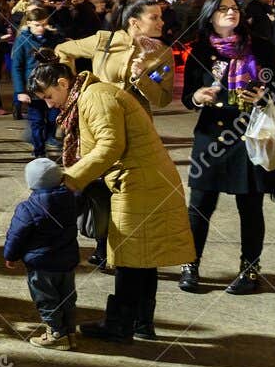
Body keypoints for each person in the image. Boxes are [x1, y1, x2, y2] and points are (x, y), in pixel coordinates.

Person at [30, 50, 194, 343]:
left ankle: (120, 325)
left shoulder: (95, 97)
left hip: (138, 182)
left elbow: (110, 146)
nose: (49, 103)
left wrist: (70, 180)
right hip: (141, 180)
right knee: (144, 258)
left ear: (63, 83)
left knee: (130, 257)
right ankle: (141, 323)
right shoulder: (90, 96)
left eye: (47, 95)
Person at [56, 0, 175, 268]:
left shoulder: (160, 53)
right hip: (98, 124)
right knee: (99, 187)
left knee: (127, 189)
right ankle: (102, 244)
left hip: (136, 128)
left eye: (160, 17)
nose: (161, 22)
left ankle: (124, 248)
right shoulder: (106, 40)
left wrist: (141, 78)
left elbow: (163, 99)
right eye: (154, 17)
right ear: (135, 22)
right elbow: (64, 49)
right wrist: (74, 90)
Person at [179, 0, 275, 296]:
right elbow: (188, 97)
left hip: (248, 135)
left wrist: (265, 96)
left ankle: (250, 270)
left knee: (250, 207)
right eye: (222, 9)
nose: (230, 12)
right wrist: (197, 96)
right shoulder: (198, 49)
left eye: (233, 8)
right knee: (199, 206)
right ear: (210, 16)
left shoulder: (260, 47)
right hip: (211, 135)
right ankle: (190, 265)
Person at [2, 158, 81, 350]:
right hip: (67, 261)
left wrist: (10, 255)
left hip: (41, 265)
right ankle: (70, 331)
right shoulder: (71, 200)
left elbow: (16, 235)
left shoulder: (28, 208)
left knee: (47, 299)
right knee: (67, 297)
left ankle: (56, 334)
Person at [10, 6, 63, 158]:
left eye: (43, 24)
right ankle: (39, 152)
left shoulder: (53, 37)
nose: (41, 28)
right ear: (29, 24)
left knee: (54, 118)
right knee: (37, 121)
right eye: (37, 25)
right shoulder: (23, 39)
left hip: (52, 86)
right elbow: (17, 66)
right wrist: (20, 91)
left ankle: (49, 137)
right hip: (33, 88)